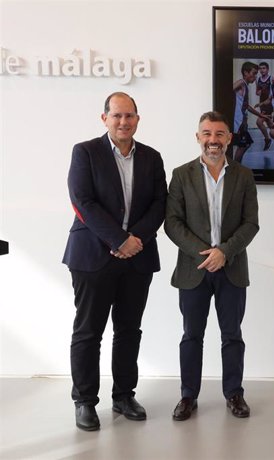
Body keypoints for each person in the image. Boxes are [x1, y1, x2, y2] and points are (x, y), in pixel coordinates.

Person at [63, 92, 167, 431]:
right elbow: (83, 201)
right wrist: (118, 239)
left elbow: (158, 204)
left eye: (130, 116)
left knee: (128, 330)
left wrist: (135, 240)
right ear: (104, 118)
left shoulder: (151, 157)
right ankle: (85, 402)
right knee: (88, 330)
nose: (124, 122)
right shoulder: (86, 152)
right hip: (93, 256)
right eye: (117, 115)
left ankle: (123, 396)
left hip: (137, 257)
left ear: (138, 119)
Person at [165, 111, 259, 421]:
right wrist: (204, 254)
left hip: (231, 269)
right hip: (193, 270)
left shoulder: (244, 176)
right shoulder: (181, 175)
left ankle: (234, 394)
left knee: (232, 335)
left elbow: (250, 224)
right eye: (207, 133)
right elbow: (172, 223)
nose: (213, 140)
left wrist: (224, 252)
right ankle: (188, 396)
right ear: (198, 137)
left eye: (219, 134)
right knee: (192, 335)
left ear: (229, 138)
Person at [232, 61, 270, 164]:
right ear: (245, 72)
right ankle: (235, 167)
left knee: (243, 144)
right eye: (253, 73)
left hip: (242, 121)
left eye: (256, 74)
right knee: (244, 144)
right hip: (238, 122)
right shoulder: (241, 83)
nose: (255, 76)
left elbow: (247, 106)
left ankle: (235, 166)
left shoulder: (245, 86)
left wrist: (260, 114)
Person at [255, 61, 274, 151]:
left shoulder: (271, 79)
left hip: (268, 105)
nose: (262, 70)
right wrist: (259, 90)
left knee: (259, 122)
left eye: (264, 68)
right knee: (270, 125)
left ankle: (267, 139)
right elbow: (257, 93)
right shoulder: (258, 79)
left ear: (267, 69)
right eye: (260, 68)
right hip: (262, 104)